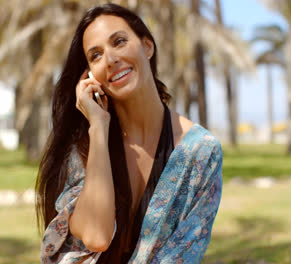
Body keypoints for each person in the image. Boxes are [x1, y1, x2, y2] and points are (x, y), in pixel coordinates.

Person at [36, 3, 223, 263]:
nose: (111, 59)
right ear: (89, 75)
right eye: (96, 55)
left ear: (147, 46)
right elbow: (95, 235)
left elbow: (183, 254)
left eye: (119, 41)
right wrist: (99, 127)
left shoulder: (200, 152)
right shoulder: (84, 145)